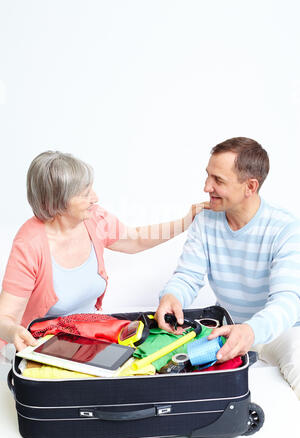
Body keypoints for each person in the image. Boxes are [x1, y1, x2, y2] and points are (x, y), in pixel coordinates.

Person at [0, 150, 208, 353]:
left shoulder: (94, 219)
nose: (95, 197)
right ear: (57, 202)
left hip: (86, 338)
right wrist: (13, 332)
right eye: (84, 193)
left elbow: (135, 239)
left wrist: (185, 222)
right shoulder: (30, 243)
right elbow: (4, 319)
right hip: (41, 346)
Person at [155, 137, 300, 398]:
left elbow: (288, 300)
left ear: (250, 187)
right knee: (168, 368)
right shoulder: (205, 221)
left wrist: (252, 330)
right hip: (228, 328)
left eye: (218, 180)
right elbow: (188, 277)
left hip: (284, 331)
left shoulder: (286, 228)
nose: (206, 187)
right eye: (208, 176)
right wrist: (172, 296)